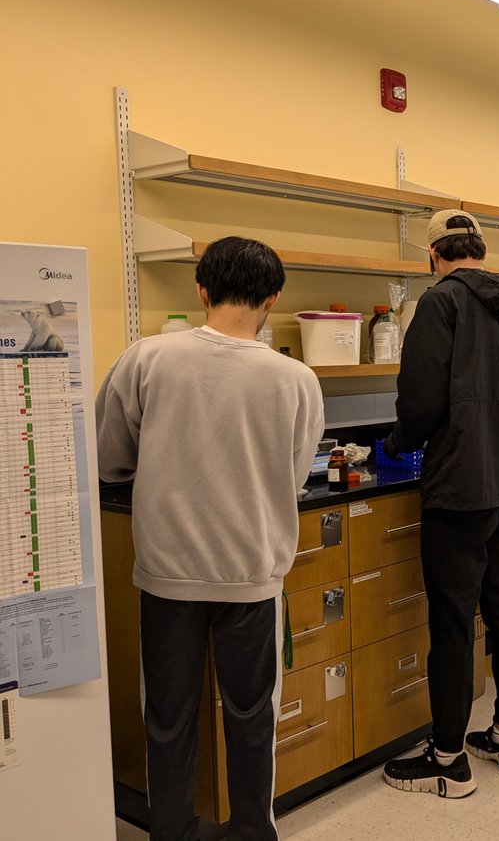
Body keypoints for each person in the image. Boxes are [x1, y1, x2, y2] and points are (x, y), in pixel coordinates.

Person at [95, 236, 324, 840]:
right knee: (253, 717)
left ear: (201, 290)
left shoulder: (146, 359)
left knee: (168, 718)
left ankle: (170, 831)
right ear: (273, 299)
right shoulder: (295, 378)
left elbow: (108, 459)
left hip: (168, 575)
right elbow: (295, 473)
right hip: (252, 576)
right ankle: (253, 830)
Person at [382, 209, 499, 798]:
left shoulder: (441, 302)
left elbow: (422, 399)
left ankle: (448, 756)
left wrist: (395, 445)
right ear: (481, 249)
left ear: (434, 255)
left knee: (454, 619)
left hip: (461, 483)